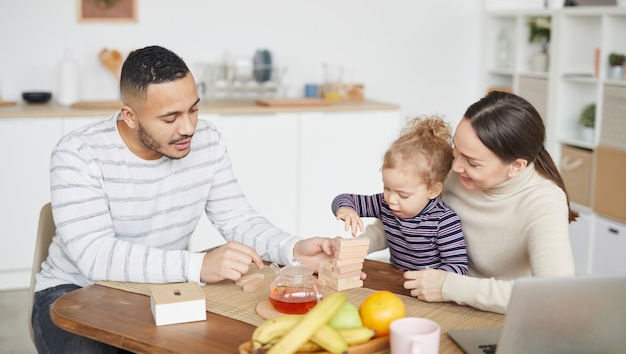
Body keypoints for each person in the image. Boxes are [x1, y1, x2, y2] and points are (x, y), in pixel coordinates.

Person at [32, 45, 338, 354]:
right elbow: (95, 256)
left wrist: (293, 249)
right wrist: (199, 265)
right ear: (130, 116)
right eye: (170, 118)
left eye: (193, 109)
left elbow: (237, 219)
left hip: (164, 287)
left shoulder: (208, 140)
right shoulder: (77, 153)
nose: (188, 128)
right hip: (74, 292)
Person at [360, 91, 577, 314]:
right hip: (434, 299)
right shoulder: (455, 168)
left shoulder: (543, 202)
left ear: (516, 167)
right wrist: (347, 250)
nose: (455, 167)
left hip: (496, 315)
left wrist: (448, 286)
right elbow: (402, 218)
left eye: (472, 163)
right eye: (456, 148)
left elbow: (554, 295)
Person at [332, 115, 467, 274]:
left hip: (429, 290)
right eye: (387, 188)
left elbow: (458, 266)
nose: (391, 200)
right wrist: (346, 209)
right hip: (397, 279)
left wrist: (433, 280)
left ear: (433, 190)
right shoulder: (384, 204)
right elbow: (344, 199)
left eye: (403, 195)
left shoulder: (444, 221)